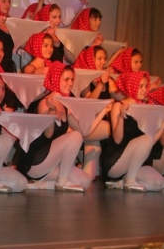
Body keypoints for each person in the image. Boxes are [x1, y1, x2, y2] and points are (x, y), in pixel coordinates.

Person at [18, 62, 104, 191]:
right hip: (35, 162)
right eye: (66, 79)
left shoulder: (65, 106)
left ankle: (38, 185)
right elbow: (48, 134)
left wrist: (103, 111)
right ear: (56, 78)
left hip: (49, 164)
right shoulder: (45, 103)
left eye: (72, 79)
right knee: (75, 136)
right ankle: (62, 181)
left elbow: (85, 132)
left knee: (85, 181)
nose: (70, 83)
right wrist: (51, 114)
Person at [100, 71, 164, 192]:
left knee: (158, 184)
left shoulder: (146, 108)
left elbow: (150, 142)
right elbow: (117, 139)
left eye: (146, 86)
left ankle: (123, 181)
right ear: (132, 86)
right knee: (145, 139)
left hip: (135, 163)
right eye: (141, 86)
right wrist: (121, 117)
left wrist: (163, 124)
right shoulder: (118, 105)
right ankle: (129, 181)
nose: (145, 90)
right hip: (116, 161)